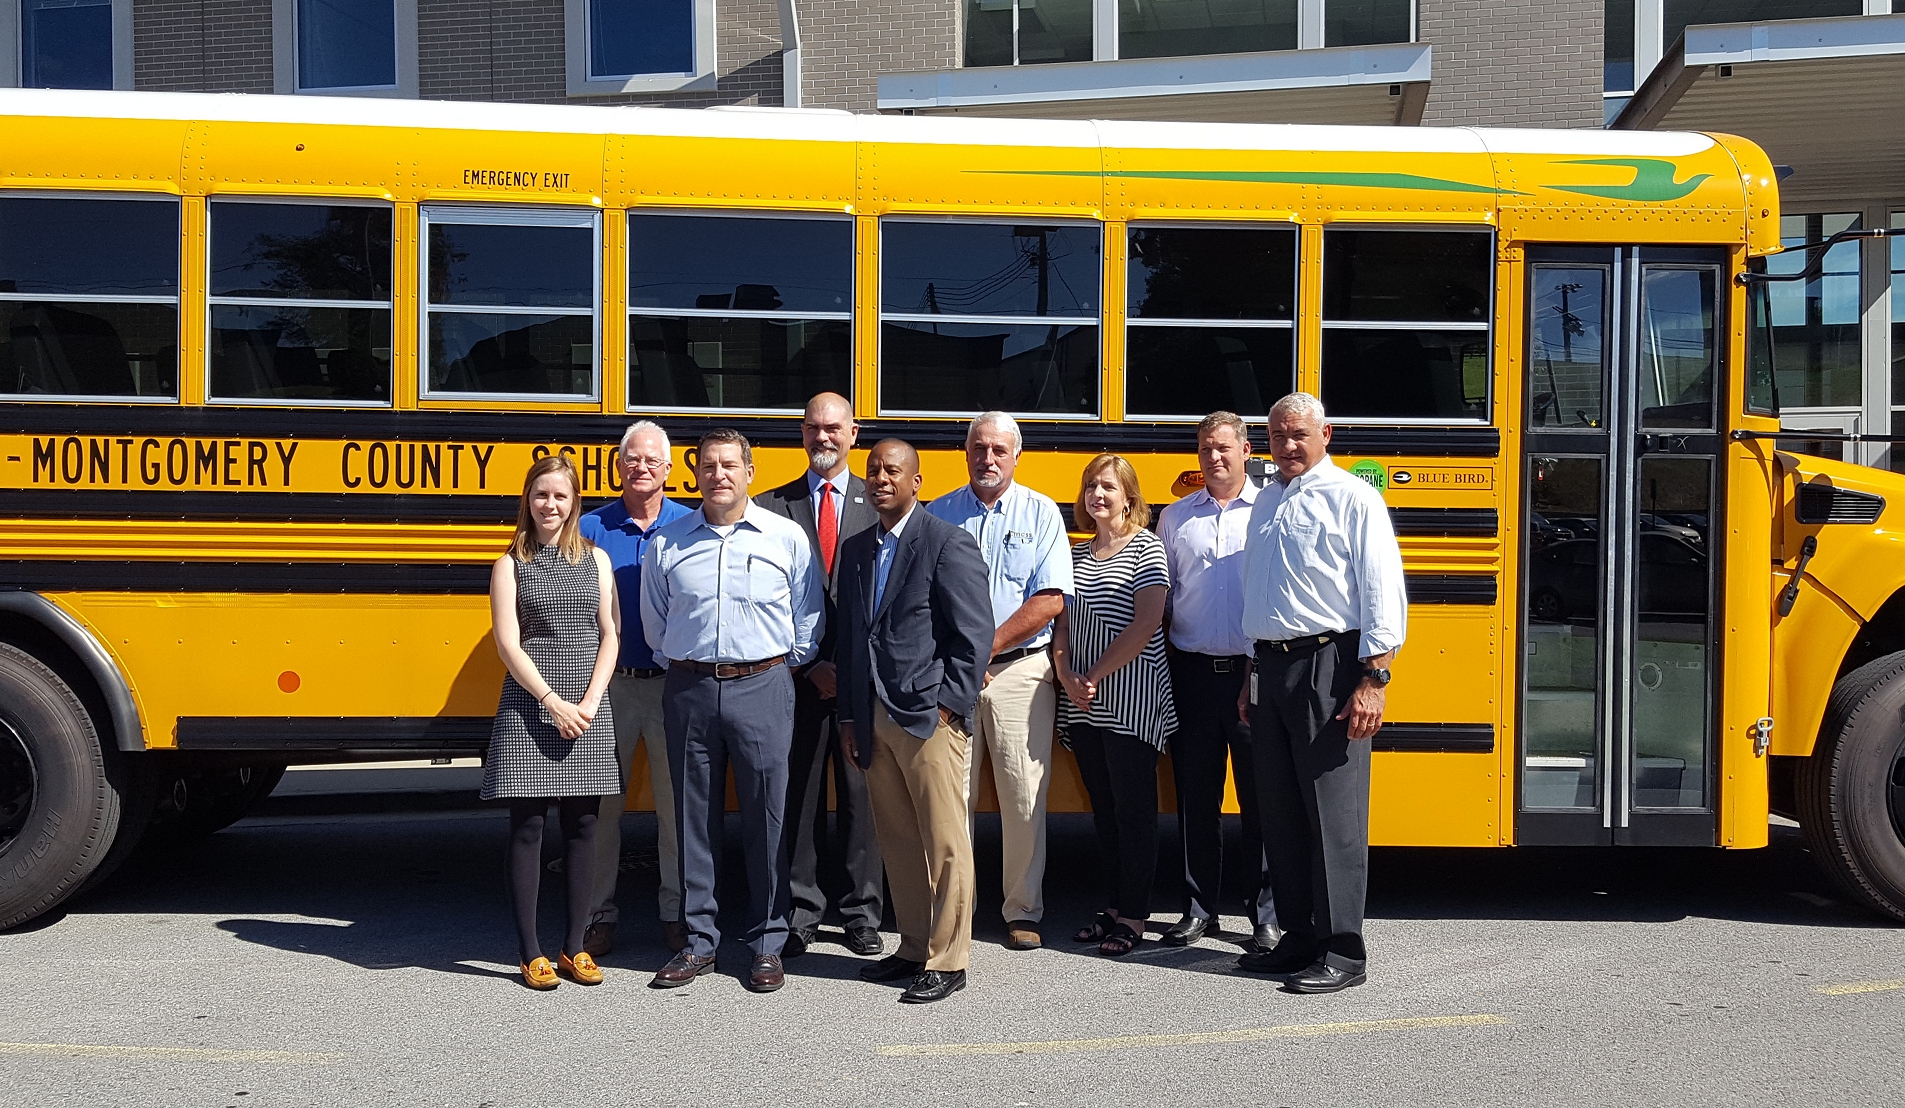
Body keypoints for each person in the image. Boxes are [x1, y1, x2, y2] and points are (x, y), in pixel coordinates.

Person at [640, 429, 824, 993]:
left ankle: (768, 941)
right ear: (694, 474)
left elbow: (808, 618)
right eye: (707, 465)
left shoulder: (786, 537)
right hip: (689, 688)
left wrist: (769, 669)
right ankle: (700, 941)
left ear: (749, 472)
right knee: (694, 815)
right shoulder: (668, 543)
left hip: (764, 685)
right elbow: (655, 624)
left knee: (768, 814)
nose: (718, 474)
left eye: (729, 465)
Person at [1236, 392, 1407, 994]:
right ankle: (1298, 937)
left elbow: (1381, 590)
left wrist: (1373, 680)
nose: (1287, 445)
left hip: (1329, 668)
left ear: (1325, 434)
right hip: (1269, 668)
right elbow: (1261, 596)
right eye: (1278, 435)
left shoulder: (1354, 497)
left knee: (1333, 816)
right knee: (1280, 814)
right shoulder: (1266, 502)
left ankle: (1344, 949)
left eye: (1299, 434)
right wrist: (1250, 677)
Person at [835, 439, 994, 1004]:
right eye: (873, 469)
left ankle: (949, 960)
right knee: (897, 839)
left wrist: (951, 703)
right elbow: (853, 638)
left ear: (915, 481)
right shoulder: (855, 549)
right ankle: (913, 946)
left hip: (928, 714)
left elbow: (973, 635)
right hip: (873, 715)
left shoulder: (947, 542)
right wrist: (851, 716)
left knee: (946, 841)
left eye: (892, 470)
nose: (880, 477)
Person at [926, 411, 1073, 951]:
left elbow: (1052, 597)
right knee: (950, 796)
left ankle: (1022, 910)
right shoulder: (938, 515)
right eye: (979, 448)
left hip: (1021, 672)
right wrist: (960, 656)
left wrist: (983, 647)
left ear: (1016, 455)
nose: (988, 459)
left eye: (998, 450)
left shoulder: (1041, 514)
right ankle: (954, 912)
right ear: (965, 453)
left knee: (1022, 794)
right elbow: (923, 597)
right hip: (949, 674)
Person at [482, 454, 621, 991]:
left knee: (586, 827)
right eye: (541, 495)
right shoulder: (508, 564)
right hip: (529, 707)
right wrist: (551, 701)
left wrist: (587, 701)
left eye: (560, 496)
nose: (550, 505)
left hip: (587, 707)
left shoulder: (597, 560)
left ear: (574, 503)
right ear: (528, 499)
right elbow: (507, 642)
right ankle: (531, 951)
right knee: (529, 828)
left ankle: (574, 947)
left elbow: (609, 633)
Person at [753, 392, 884, 958]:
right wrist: (808, 663)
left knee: (863, 798)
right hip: (797, 679)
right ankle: (802, 909)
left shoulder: (878, 501)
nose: (823, 438)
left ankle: (862, 911)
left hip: (862, 681)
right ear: (801, 435)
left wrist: (850, 668)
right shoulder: (770, 506)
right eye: (813, 429)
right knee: (799, 795)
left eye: (834, 428)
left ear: (853, 434)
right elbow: (764, 599)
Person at [1155, 411, 1278, 953]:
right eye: (1206, 448)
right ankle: (1199, 908)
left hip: (1253, 677)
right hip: (1193, 674)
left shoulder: (1270, 512)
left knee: (1261, 802)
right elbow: (1164, 596)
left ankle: (1265, 915)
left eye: (1224, 447)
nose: (1214, 457)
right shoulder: (1176, 518)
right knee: (1197, 801)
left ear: (1246, 450)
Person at [577, 421, 693, 957]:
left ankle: (677, 913)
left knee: (677, 809)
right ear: (617, 466)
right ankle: (597, 913)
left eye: (652, 460)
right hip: (610, 688)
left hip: (674, 686)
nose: (641, 467)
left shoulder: (689, 525)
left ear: (670, 469)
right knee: (602, 808)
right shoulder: (592, 527)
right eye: (631, 459)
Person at [1054, 454, 1176, 958]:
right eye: (1090, 487)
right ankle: (1112, 904)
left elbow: (1146, 624)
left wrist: (1093, 676)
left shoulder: (1148, 550)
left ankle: (1134, 916)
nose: (1097, 495)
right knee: (1102, 810)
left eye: (1107, 487)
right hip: (1083, 702)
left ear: (1130, 496)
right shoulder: (1076, 556)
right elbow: (1059, 624)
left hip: (1131, 701)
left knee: (1134, 812)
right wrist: (1066, 676)